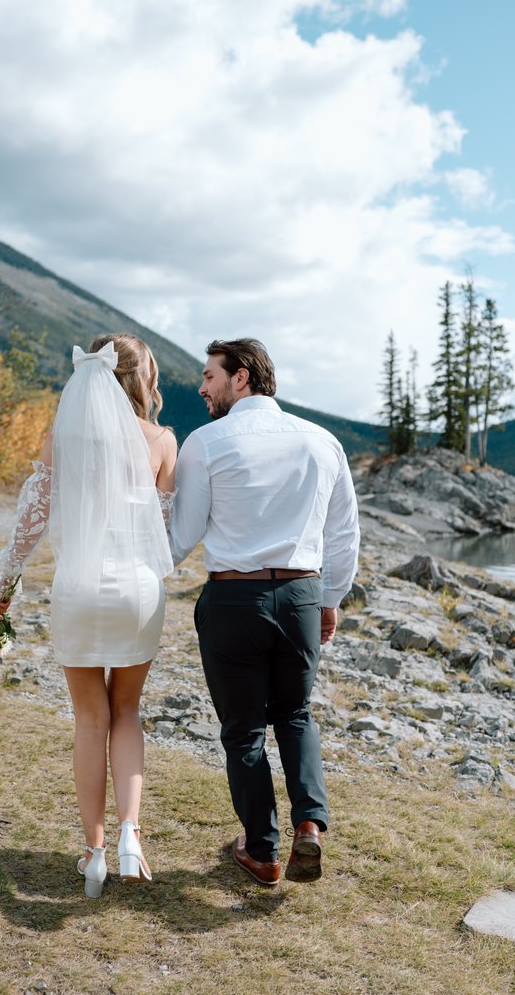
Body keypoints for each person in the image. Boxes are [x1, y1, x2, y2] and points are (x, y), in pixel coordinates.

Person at [0, 333, 177, 898]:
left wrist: (5, 585)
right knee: (127, 711)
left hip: (78, 588)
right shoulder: (162, 441)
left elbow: (30, 520)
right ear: (142, 379)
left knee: (90, 719)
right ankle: (129, 836)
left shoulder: (61, 439)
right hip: (137, 591)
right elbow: (165, 530)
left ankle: (94, 855)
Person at [169, 338, 359, 887]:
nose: (201, 387)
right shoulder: (322, 441)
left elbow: (181, 536)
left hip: (235, 601)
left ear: (242, 377)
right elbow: (343, 534)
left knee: (244, 729)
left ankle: (262, 852)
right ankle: (310, 825)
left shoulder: (206, 442)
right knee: (295, 714)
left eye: (209, 376)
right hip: (301, 596)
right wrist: (330, 600)